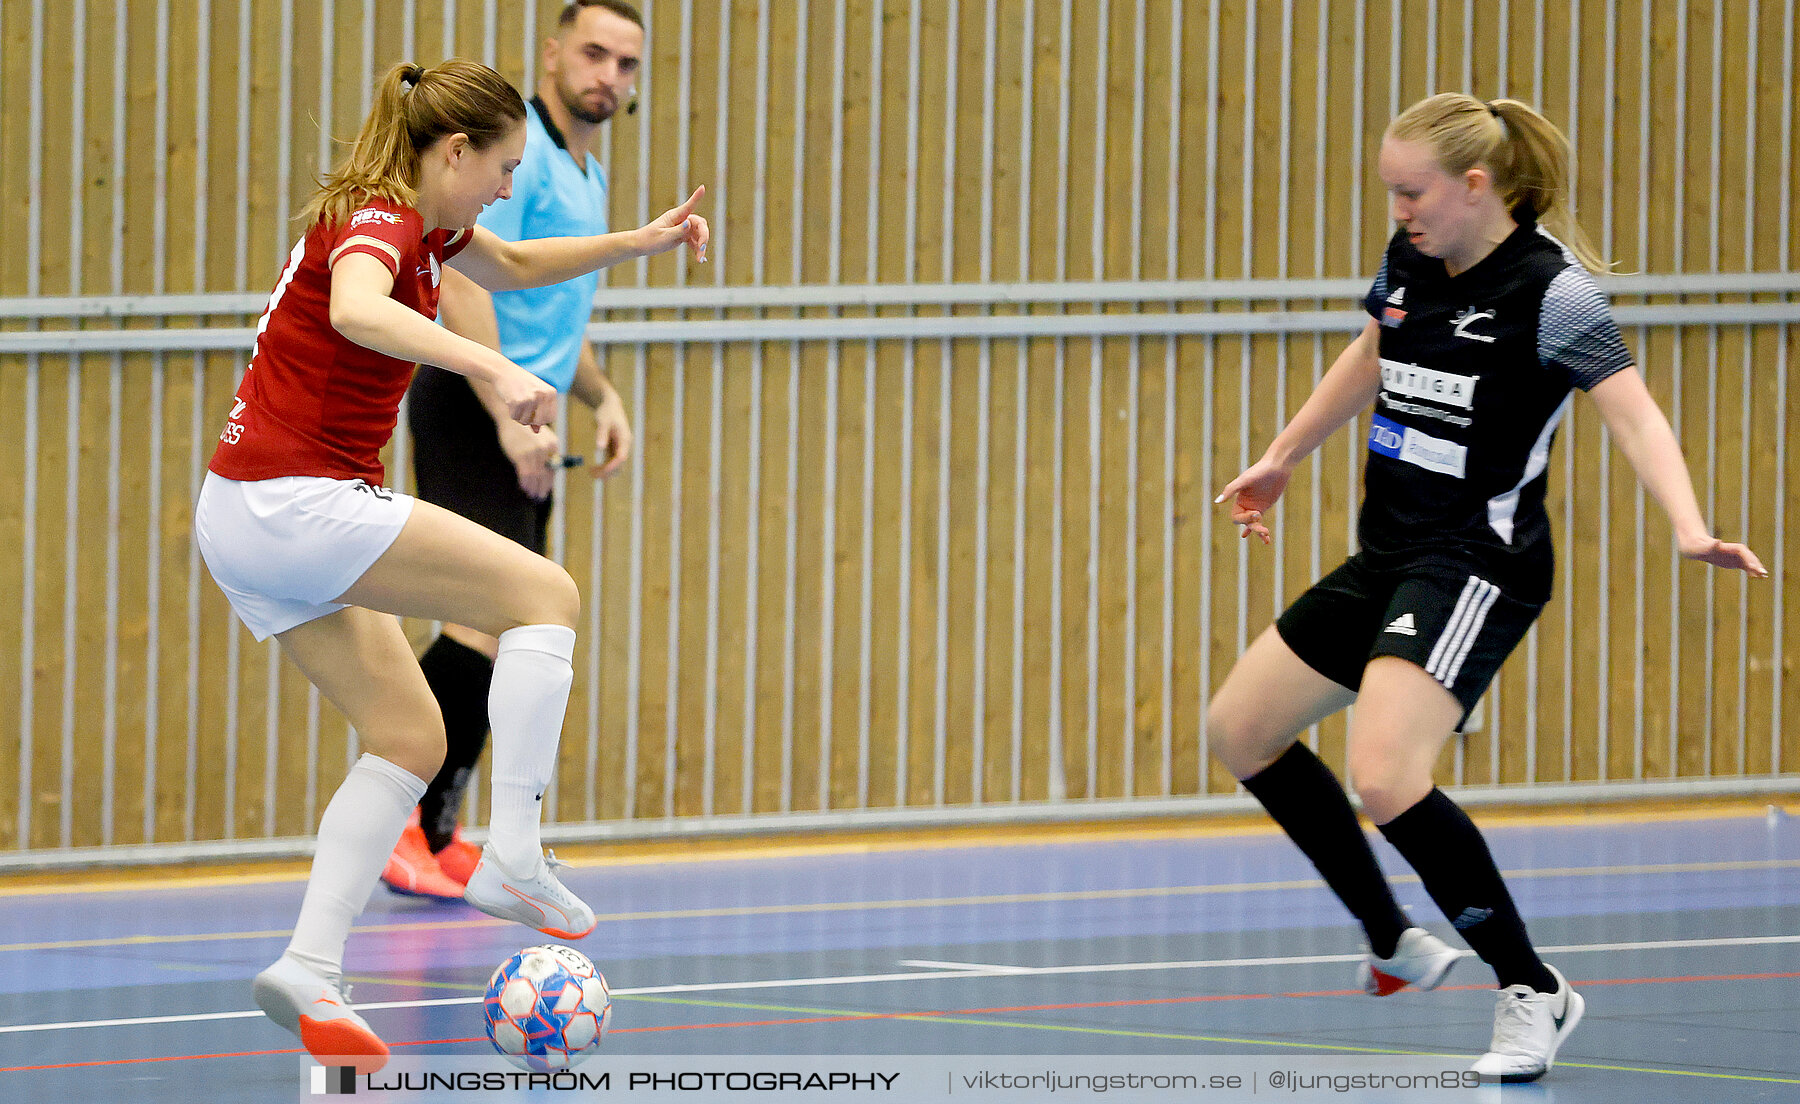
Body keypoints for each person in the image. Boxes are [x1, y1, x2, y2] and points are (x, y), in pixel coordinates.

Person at [1207, 92, 1766, 1084]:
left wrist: (1688, 525)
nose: (1399, 211)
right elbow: (1375, 353)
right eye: (1389, 192)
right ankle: (1391, 939)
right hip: (1387, 554)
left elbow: (1635, 417)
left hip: (1477, 562)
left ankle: (1531, 988)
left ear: (1477, 185)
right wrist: (1283, 454)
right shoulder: (1413, 263)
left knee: (1385, 775)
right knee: (1241, 729)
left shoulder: (1556, 296)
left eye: (1412, 191)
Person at [192, 58, 707, 1071]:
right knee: (542, 593)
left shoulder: (426, 226)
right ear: (455, 152)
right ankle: (513, 849)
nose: (508, 187)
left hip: (245, 511)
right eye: (501, 166)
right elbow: (354, 310)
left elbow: (512, 265)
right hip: (293, 499)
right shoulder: (380, 222)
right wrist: (492, 363)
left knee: (407, 733)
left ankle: (309, 964)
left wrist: (636, 242)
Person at [381, 0, 646, 902]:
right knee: (483, 620)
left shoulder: (588, 172)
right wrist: (499, 404)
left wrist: (601, 396)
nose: (607, 75)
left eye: (625, 63)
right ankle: (404, 825)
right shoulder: (518, 156)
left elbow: (555, 320)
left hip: (523, 412)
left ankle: (436, 830)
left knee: (509, 626)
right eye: (594, 54)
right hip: (472, 404)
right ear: (553, 53)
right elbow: (457, 272)